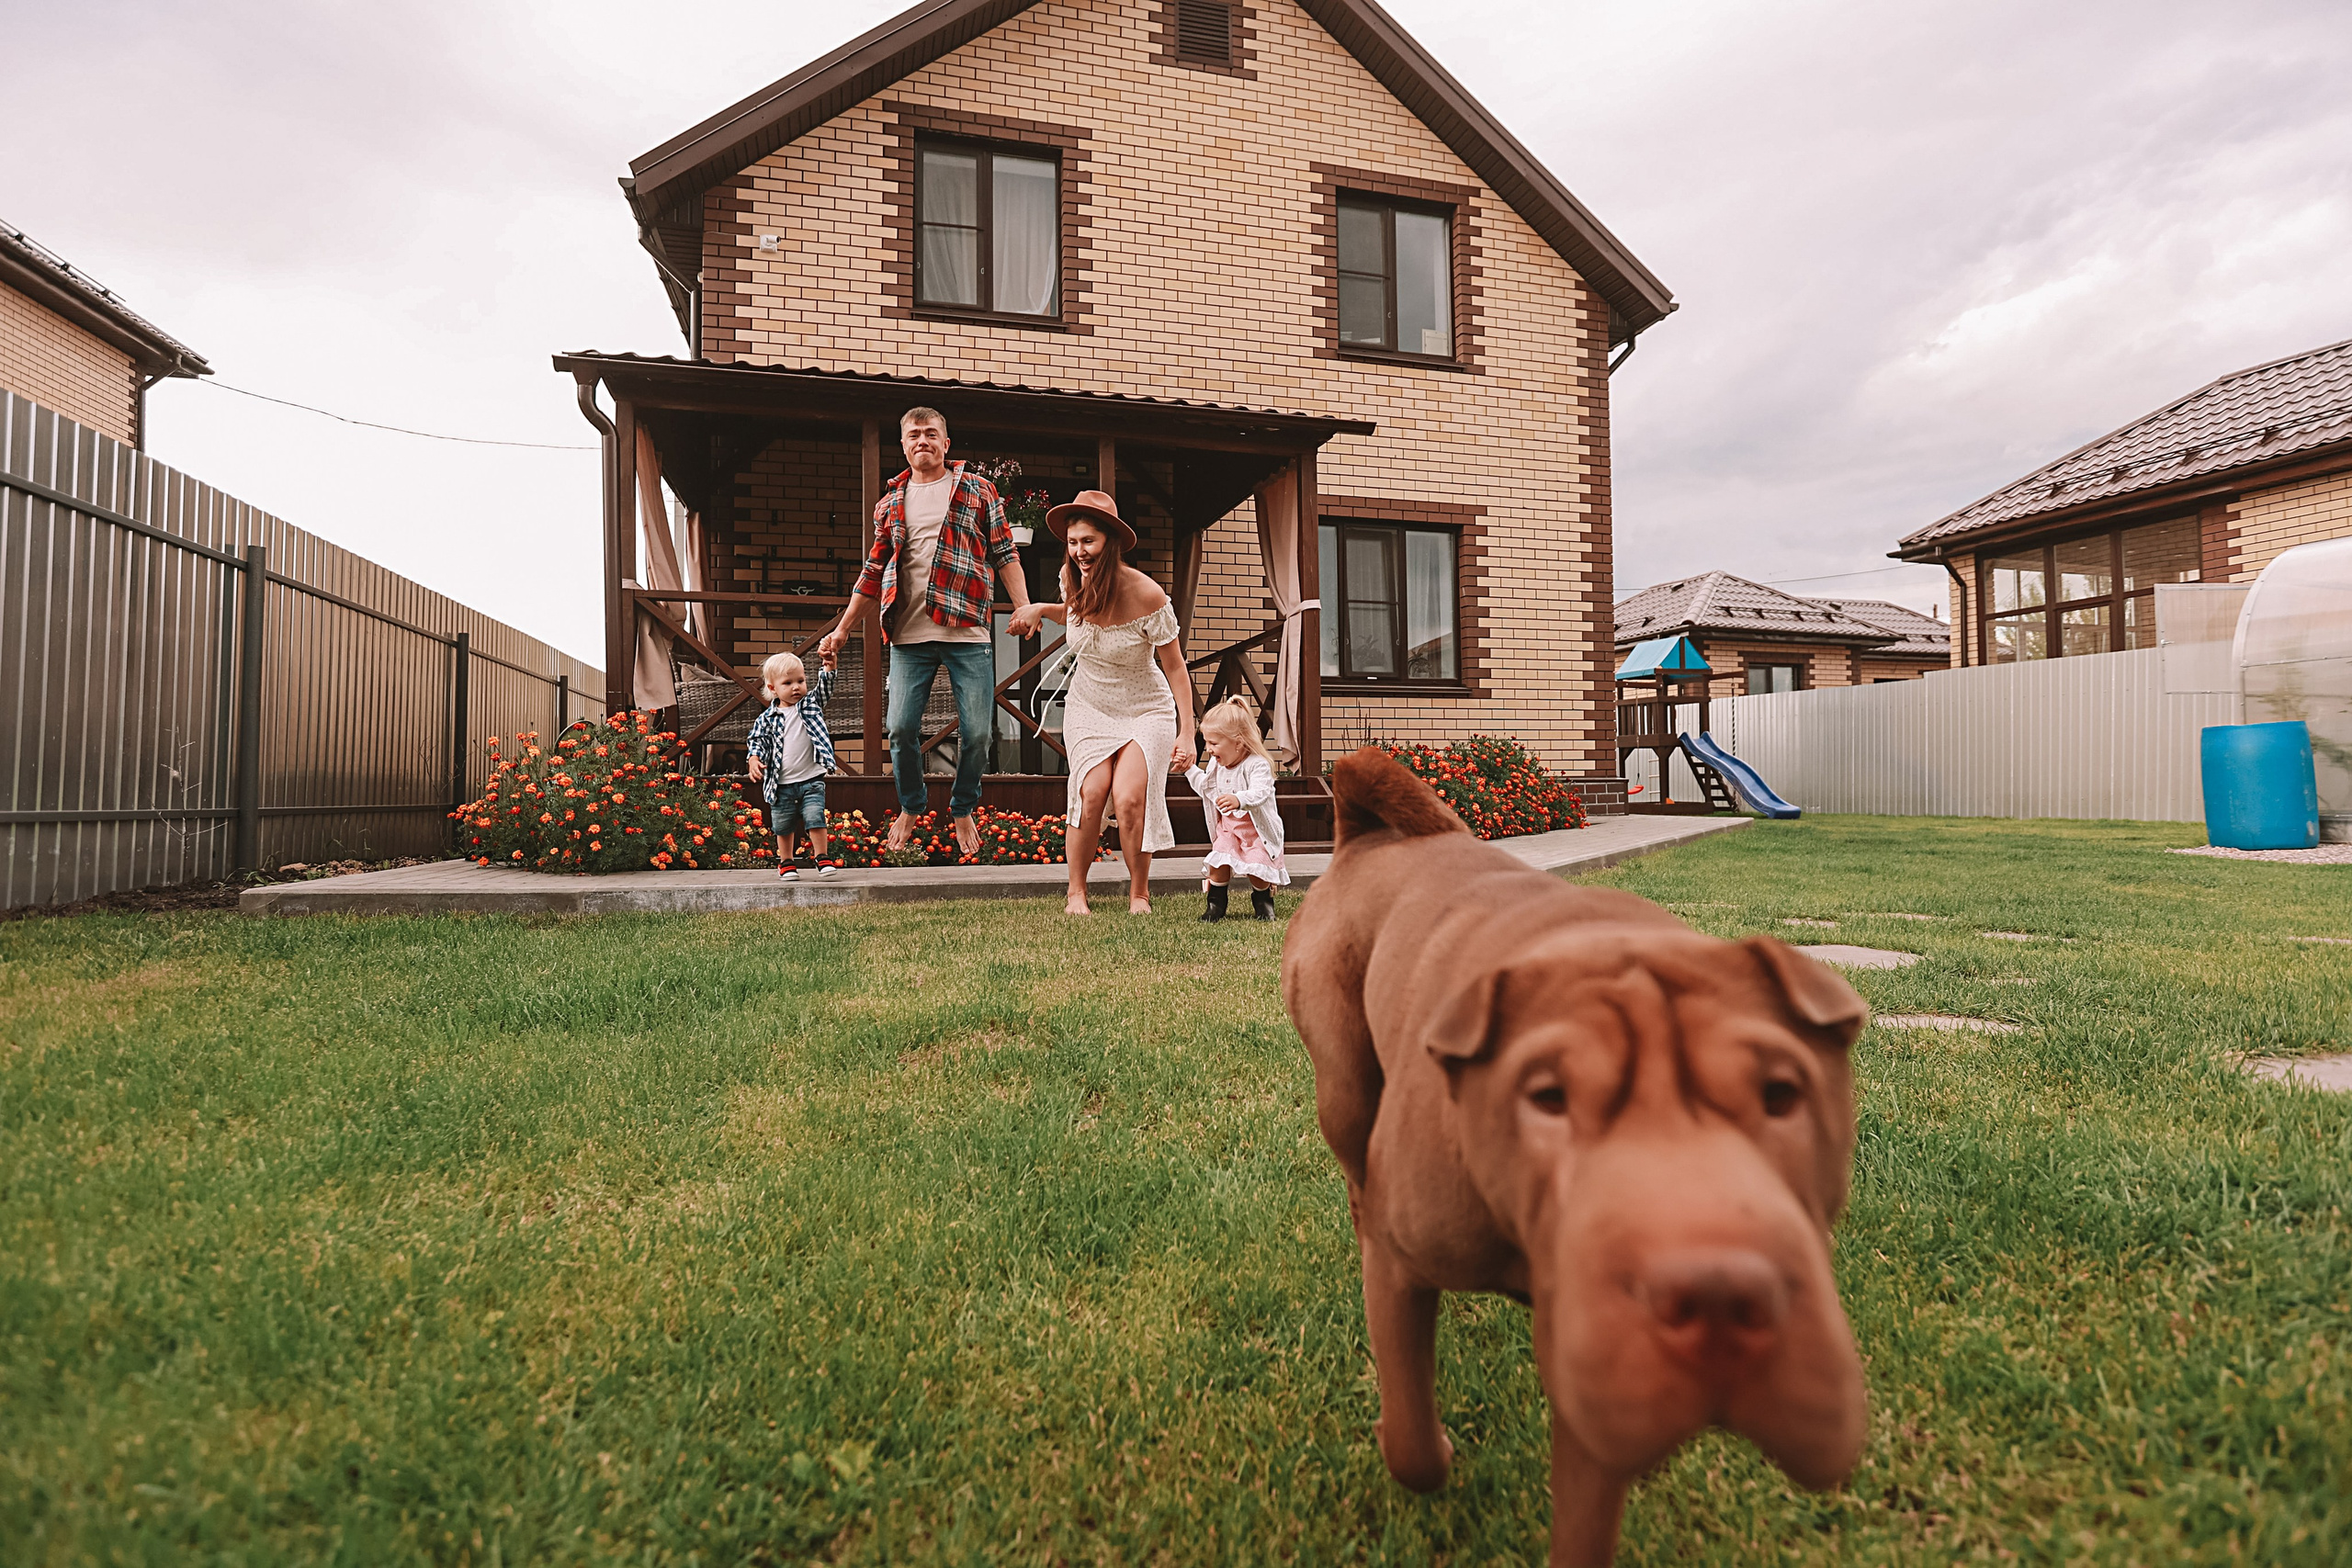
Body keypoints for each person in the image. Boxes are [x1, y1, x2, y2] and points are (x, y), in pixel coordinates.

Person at [819, 407, 1031, 860]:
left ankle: (962, 807)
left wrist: (1025, 605)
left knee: (977, 733)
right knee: (900, 729)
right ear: (904, 445)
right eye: (914, 435)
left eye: (932, 434)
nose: (923, 441)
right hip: (908, 636)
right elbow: (872, 572)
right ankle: (911, 806)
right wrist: (841, 631)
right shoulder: (890, 502)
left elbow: (1004, 551)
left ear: (946, 444)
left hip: (967, 631)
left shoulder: (977, 490)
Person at [1008, 491, 1193, 915]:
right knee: (1092, 792)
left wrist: (1188, 731)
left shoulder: (1147, 595)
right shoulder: (1072, 576)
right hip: (1089, 703)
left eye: (1088, 542)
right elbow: (1074, 612)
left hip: (1146, 707)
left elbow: (1176, 668)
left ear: (1109, 541)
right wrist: (1039, 608)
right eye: (1073, 543)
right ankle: (1076, 892)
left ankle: (1139, 894)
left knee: (1129, 798)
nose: (1079, 552)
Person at [1183, 694, 1287, 921]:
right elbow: (1206, 787)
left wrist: (1239, 799)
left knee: (1257, 868)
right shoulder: (1217, 764)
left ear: (1238, 742)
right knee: (1218, 860)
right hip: (1229, 828)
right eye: (1207, 742)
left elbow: (1261, 791)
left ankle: (1263, 901)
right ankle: (1216, 904)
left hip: (1256, 832)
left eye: (1213, 743)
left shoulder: (1257, 764)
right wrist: (1189, 769)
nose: (1209, 749)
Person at [746, 649, 839, 881]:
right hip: (781, 784)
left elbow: (825, 689)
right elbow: (756, 741)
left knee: (815, 817)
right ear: (772, 688)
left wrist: (829, 667)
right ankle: (786, 862)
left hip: (812, 779)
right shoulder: (766, 719)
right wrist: (754, 759)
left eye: (800, 681)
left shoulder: (810, 705)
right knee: (783, 825)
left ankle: (822, 857)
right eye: (788, 683)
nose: (796, 687)